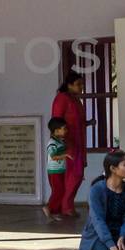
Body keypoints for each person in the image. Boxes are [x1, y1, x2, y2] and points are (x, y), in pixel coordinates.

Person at [49, 72, 88, 217]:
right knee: (72, 176)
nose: (81, 87)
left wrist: (88, 123)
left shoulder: (76, 100)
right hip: (67, 143)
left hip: (78, 143)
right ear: (69, 85)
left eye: (82, 84)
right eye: (78, 84)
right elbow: (56, 122)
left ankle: (66, 206)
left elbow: (77, 122)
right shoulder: (61, 99)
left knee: (77, 175)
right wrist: (61, 143)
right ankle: (64, 206)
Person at [44, 117, 69, 221]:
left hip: (60, 170)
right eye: (64, 128)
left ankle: (54, 212)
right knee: (58, 191)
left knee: (60, 191)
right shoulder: (52, 143)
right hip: (54, 171)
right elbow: (53, 156)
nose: (66, 130)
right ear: (56, 130)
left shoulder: (59, 141)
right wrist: (66, 155)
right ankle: (48, 208)